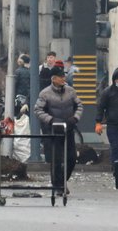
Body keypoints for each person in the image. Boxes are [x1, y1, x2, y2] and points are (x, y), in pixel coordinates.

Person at [34, 65, 83, 194]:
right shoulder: (45, 93)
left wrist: (75, 118)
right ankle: (58, 186)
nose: (63, 78)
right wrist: (51, 120)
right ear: (53, 79)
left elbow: (79, 106)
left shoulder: (70, 91)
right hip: (53, 131)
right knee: (56, 159)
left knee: (71, 158)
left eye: (64, 76)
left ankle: (62, 182)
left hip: (68, 129)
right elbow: (38, 110)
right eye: (61, 77)